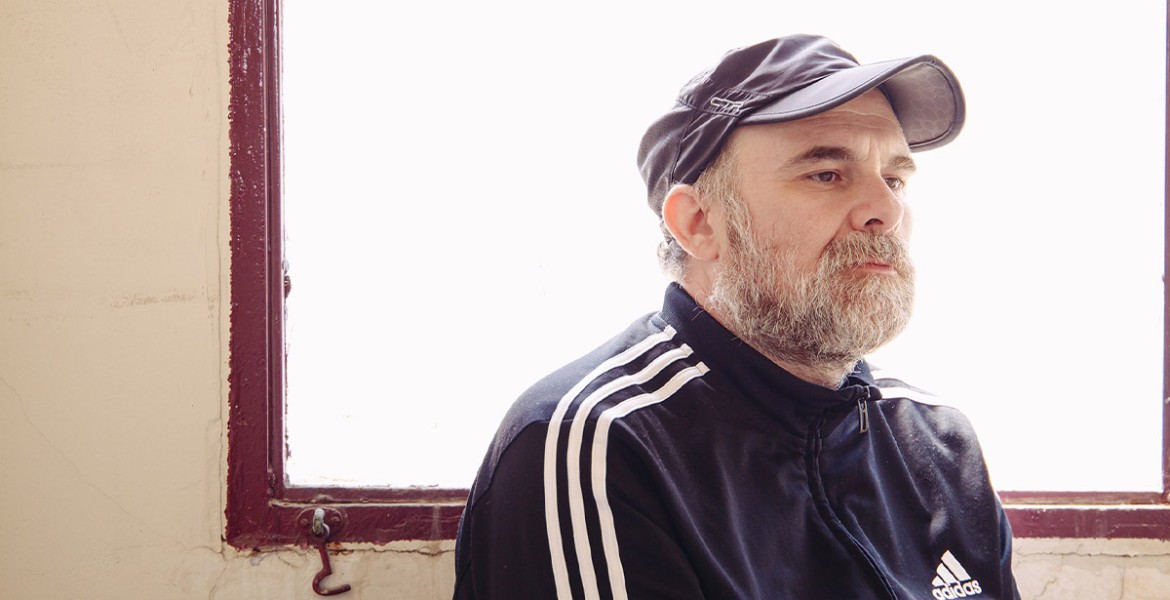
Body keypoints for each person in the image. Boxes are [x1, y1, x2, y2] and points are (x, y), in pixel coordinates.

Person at [452, 34, 1019, 600]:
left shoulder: (940, 445)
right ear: (698, 223)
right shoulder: (597, 445)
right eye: (826, 173)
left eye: (894, 179)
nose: (887, 210)